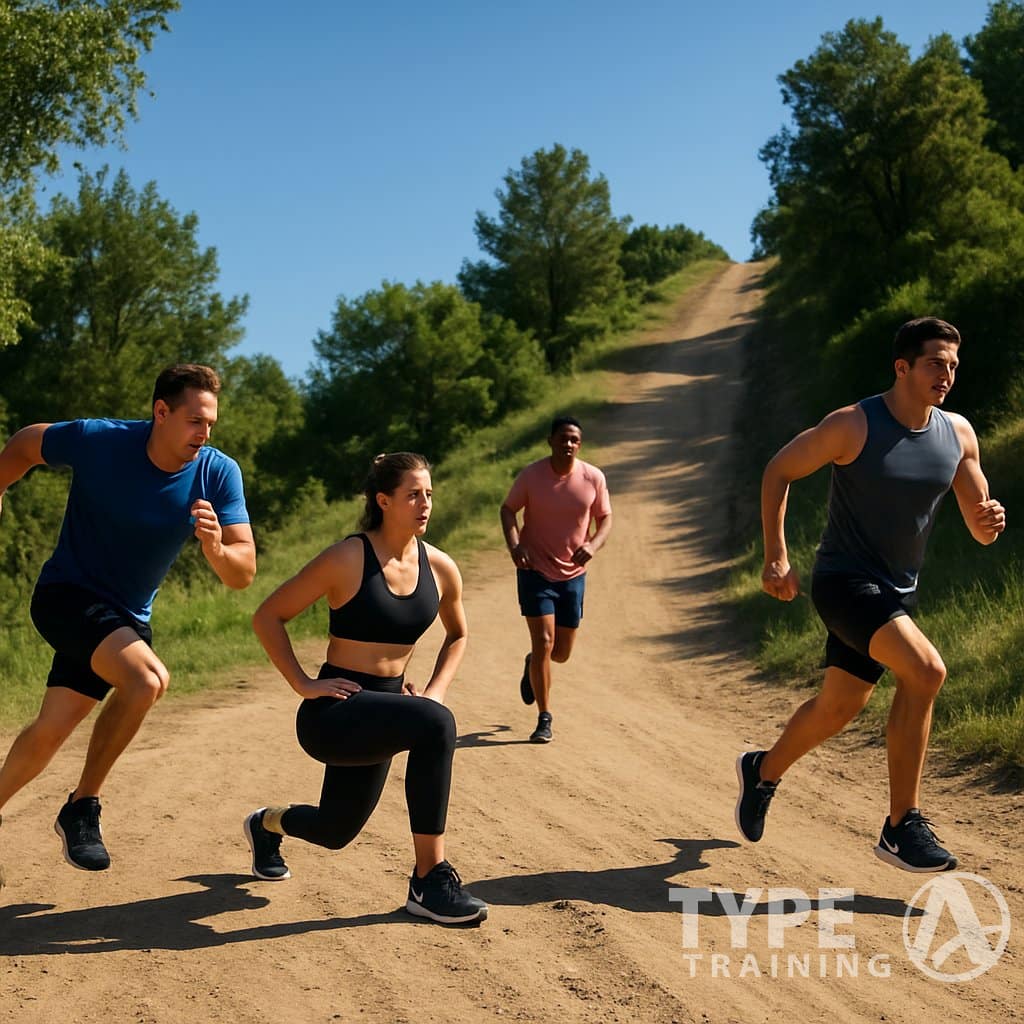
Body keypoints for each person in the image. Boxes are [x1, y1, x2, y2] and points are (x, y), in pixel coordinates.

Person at [735, 317, 1006, 872]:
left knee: (840, 706)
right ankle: (900, 825)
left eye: (953, 365)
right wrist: (775, 556)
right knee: (927, 671)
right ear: (902, 366)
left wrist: (990, 519)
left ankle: (761, 771)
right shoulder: (855, 424)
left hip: (895, 593)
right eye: (935, 363)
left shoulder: (958, 434)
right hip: (843, 583)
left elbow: (979, 527)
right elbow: (779, 470)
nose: (947, 375)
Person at [0, 365, 255, 882]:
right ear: (161, 412)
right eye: (193, 421)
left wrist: (215, 548)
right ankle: (82, 806)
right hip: (65, 596)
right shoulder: (102, 440)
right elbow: (28, 443)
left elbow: (243, 572)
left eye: (210, 424)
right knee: (147, 680)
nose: (203, 435)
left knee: (51, 730)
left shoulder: (217, 472)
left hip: (124, 617)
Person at [244, 452, 487, 926]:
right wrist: (303, 684)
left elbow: (458, 634)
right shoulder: (348, 557)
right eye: (413, 495)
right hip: (333, 713)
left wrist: (435, 690)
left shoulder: (439, 567)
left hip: (386, 709)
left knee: (336, 831)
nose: (425, 504)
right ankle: (429, 879)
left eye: (429, 495)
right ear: (384, 501)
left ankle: (265, 822)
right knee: (437, 726)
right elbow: (267, 616)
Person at [500, 416, 613, 743]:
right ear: (550, 441)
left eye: (574, 439)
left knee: (560, 652)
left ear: (580, 444)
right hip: (534, 570)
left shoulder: (593, 478)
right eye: (562, 438)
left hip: (573, 575)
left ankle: (533, 663)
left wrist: (592, 544)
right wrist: (515, 545)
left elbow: (605, 517)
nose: (568, 444)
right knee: (544, 642)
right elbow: (508, 510)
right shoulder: (532, 476)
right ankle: (544, 718)